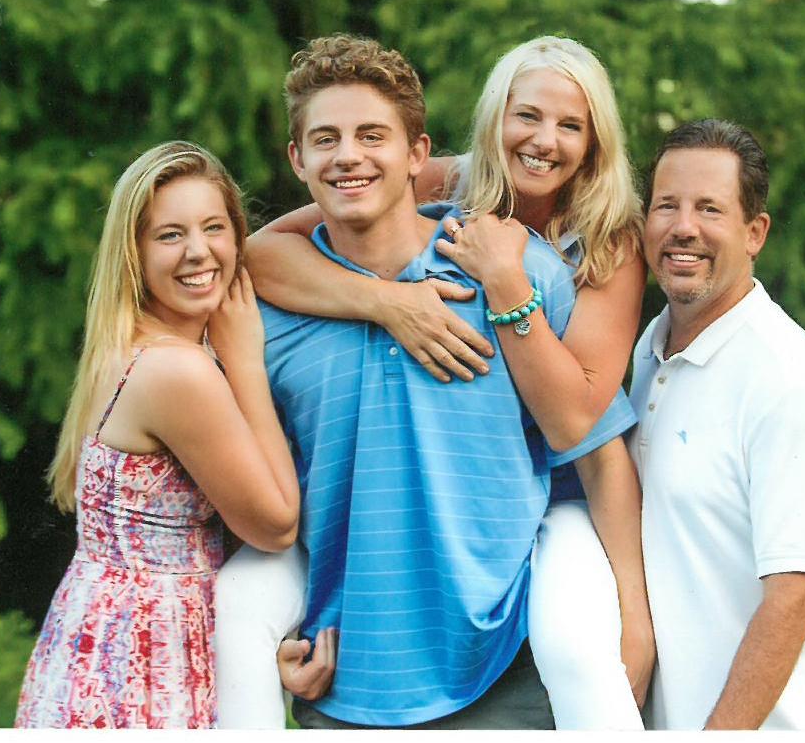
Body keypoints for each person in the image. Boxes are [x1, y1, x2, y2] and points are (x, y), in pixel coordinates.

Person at [218, 36, 654, 730]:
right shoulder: (268, 309)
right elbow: (250, 484)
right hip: (349, 675)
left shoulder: (553, 262)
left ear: (414, 154)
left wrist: (635, 623)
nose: (350, 155)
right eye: (327, 139)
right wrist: (389, 302)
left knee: (578, 644)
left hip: (508, 650)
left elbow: (591, 442)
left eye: (372, 136)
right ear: (296, 159)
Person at [14, 141, 300, 729]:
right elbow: (275, 526)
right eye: (170, 235)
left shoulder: (127, 344)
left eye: (215, 228)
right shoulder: (178, 370)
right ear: (134, 253)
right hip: (150, 657)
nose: (199, 251)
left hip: (95, 639)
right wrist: (246, 362)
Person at [628, 119, 805, 730]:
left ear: (755, 232)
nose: (684, 227)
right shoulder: (648, 352)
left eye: (710, 208)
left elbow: (798, 595)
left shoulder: (788, 374)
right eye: (667, 205)